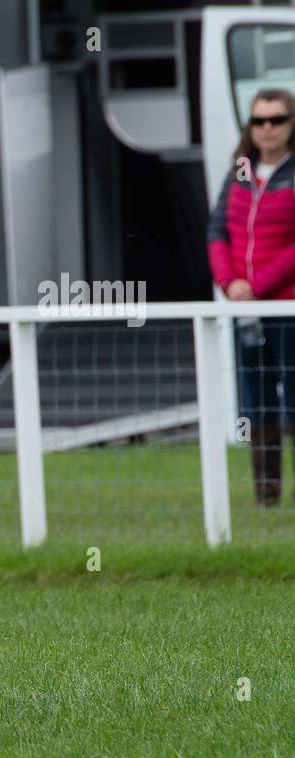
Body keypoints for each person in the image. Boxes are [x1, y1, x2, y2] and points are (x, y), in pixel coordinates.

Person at [208, 88, 295, 506]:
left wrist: (256, 287)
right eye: (258, 121)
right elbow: (217, 231)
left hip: (286, 307)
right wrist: (230, 283)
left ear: (290, 122)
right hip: (246, 311)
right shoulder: (240, 171)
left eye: (276, 120)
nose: (266, 129)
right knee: (256, 400)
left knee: (293, 397)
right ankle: (266, 496)